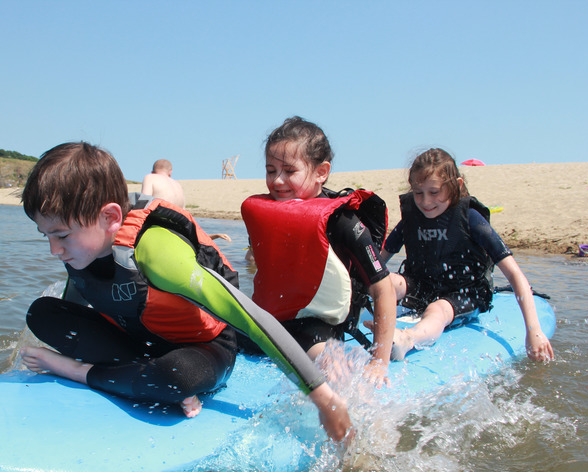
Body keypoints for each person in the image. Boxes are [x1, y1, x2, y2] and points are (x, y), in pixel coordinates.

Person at [19, 142, 352, 442]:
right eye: (45, 235)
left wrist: (322, 396)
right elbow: (78, 305)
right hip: (138, 345)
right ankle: (135, 375)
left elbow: (248, 317)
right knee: (42, 313)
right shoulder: (81, 249)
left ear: (109, 217)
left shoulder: (156, 251)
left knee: (173, 376)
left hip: (202, 350)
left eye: (61, 235)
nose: (54, 250)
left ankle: (83, 374)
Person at [240, 117, 398, 388]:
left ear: (321, 172)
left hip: (320, 327)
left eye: (289, 171)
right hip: (273, 319)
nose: (277, 181)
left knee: (320, 359)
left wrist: (378, 362)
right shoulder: (266, 212)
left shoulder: (343, 222)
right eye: (270, 170)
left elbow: (383, 289)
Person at [378, 147, 554, 362]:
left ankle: (407, 339)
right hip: (423, 286)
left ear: (457, 186)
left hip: (464, 293)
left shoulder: (470, 218)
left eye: (434, 192)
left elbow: (515, 274)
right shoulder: (412, 219)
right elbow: (377, 263)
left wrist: (533, 330)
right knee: (385, 281)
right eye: (418, 193)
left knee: (437, 308)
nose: (425, 201)